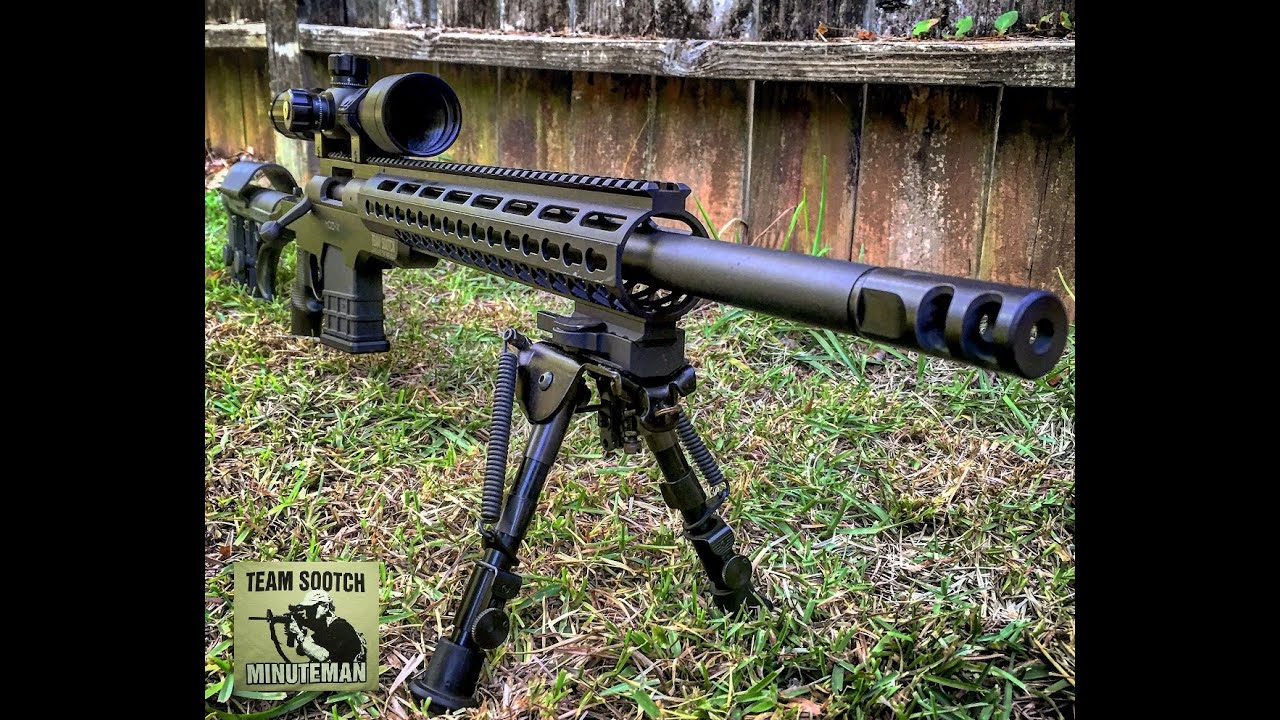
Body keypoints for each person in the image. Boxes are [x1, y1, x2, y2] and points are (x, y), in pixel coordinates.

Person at [286, 590, 366, 664]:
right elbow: (300, 650)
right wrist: (298, 632)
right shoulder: (326, 628)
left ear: (325, 607)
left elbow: (324, 658)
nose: (308, 612)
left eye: (312, 608)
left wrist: (299, 634)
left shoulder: (340, 627)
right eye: (307, 608)